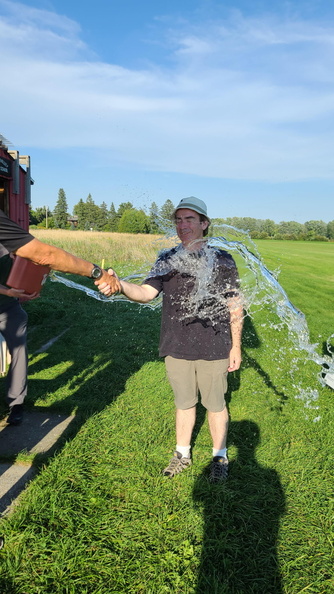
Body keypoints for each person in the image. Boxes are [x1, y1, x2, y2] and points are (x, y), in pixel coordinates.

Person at [98, 197, 243, 482]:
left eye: (189, 219)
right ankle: (182, 454)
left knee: (215, 404)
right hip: (177, 345)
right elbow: (146, 293)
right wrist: (119, 284)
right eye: (178, 220)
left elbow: (235, 304)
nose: (182, 225)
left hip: (215, 345)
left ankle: (219, 456)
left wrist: (235, 345)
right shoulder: (167, 259)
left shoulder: (222, 259)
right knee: (184, 402)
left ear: (204, 224)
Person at [0, 208, 120, 425]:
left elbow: (40, 259)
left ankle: (16, 403)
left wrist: (30, 285)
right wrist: (97, 272)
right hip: (5, 297)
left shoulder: (10, 236)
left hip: (8, 307)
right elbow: (46, 254)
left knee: (18, 350)